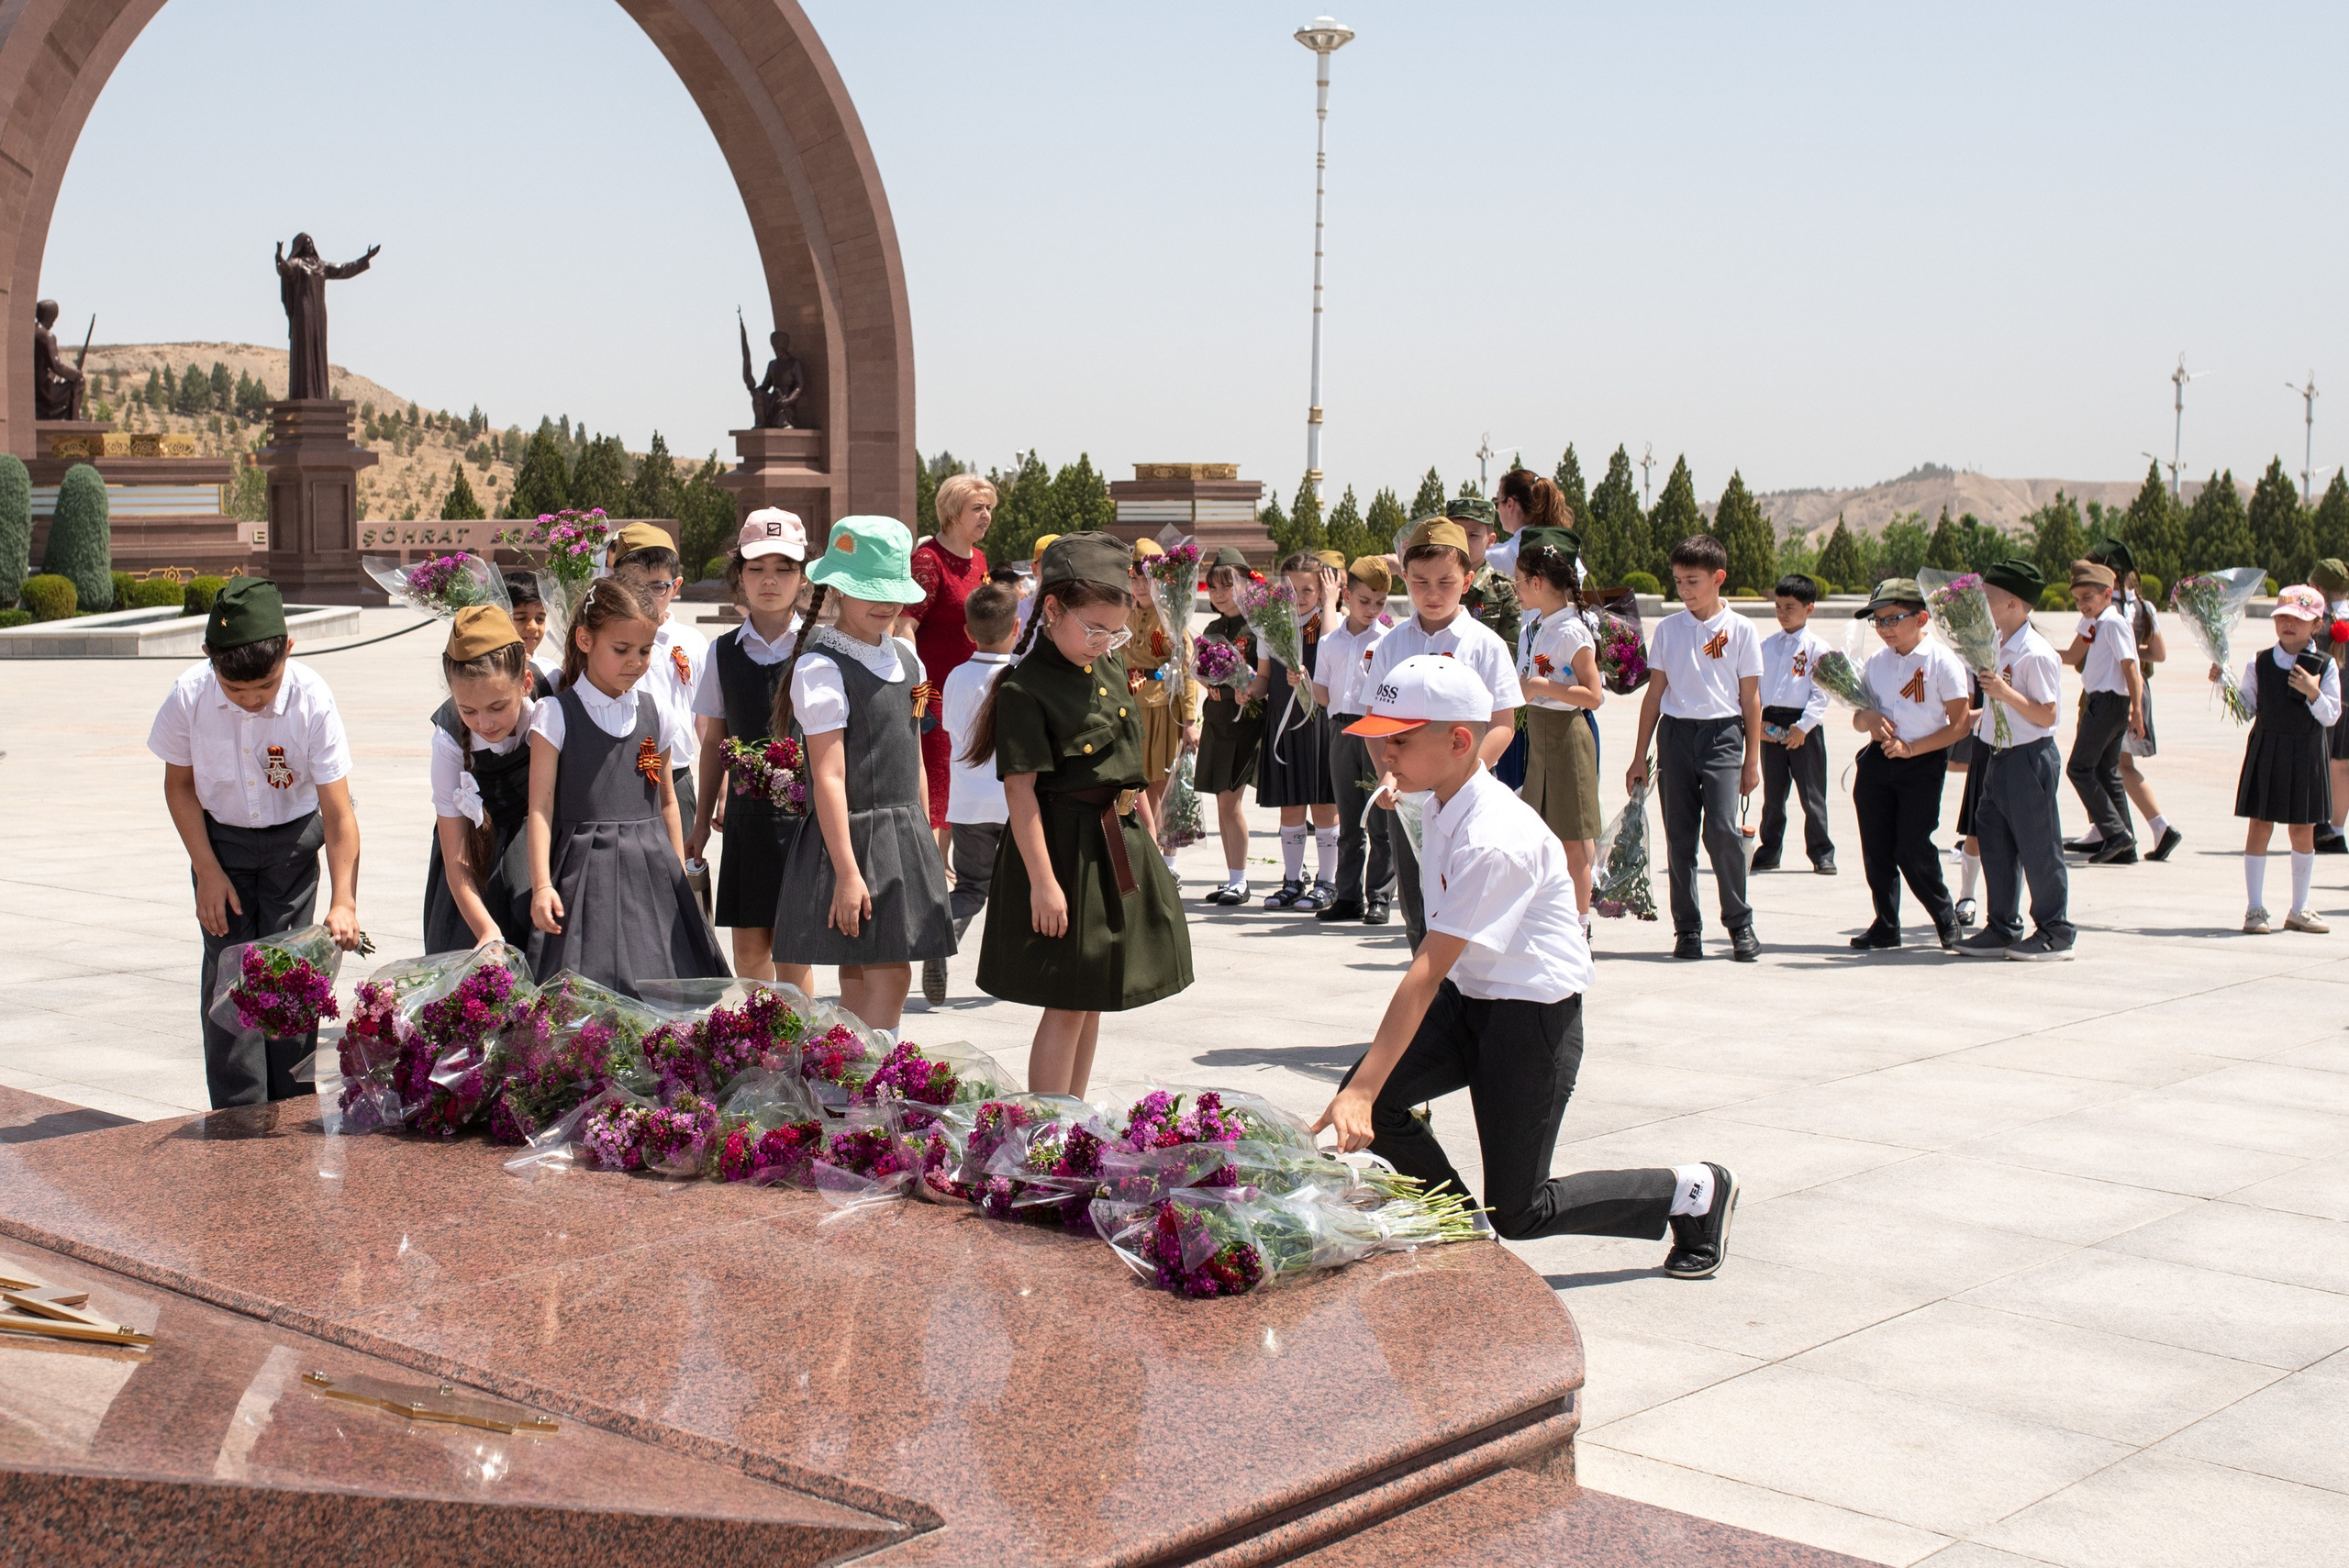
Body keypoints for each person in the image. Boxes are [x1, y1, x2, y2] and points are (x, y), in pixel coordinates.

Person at [1311, 656, 1737, 1276]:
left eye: (1397, 739)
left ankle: (1694, 1192)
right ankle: (1461, 1231)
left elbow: (1427, 968)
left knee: (1523, 1208)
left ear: (1460, 741)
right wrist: (1363, 1088)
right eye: (1379, 738)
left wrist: (1364, 1087)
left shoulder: (1495, 837)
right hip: (1473, 996)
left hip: (1532, 1017)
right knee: (1373, 1097)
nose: (1383, 754)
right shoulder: (1442, 795)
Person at [968, 532, 1195, 1095]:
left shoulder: (1110, 667)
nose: (1103, 642)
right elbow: (1020, 795)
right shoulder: (1026, 689)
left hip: (1118, 842)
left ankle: (1075, 1115)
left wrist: (1152, 834)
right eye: (1094, 628)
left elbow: (1130, 762)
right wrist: (1044, 885)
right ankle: (1046, 1131)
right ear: (1052, 608)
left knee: (1093, 1000)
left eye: (1114, 631)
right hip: (1065, 852)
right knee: (1067, 1002)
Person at [150, 578, 364, 1108]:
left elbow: (339, 812)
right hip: (220, 848)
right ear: (209, 659)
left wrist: (344, 900)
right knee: (229, 978)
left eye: (264, 687)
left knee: (290, 979)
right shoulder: (190, 695)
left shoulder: (312, 698)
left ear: (288, 649)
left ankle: (291, 1111)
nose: (250, 700)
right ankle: (238, 1115)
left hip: (291, 850)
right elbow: (179, 786)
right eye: (235, 688)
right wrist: (206, 870)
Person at [767, 517, 953, 1030]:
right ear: (837, 587)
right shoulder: (821, 667)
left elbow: (913, 753)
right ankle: (870, 1093)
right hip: (854, 836)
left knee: (864, 976)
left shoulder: (906, 658)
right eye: (867, 590)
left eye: (893, 591)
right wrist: (848, 872)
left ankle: (844, 1089)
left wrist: (928, 838)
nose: (885, 603)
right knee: (890, 976)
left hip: (902, 832)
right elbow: (828, 777)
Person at [526, 578, 729, 997]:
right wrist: (542, 884)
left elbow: (668, 800)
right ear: (585, 639)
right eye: (621, 650)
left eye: (644, 650)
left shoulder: (657, 710)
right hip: (582, 876)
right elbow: (541, 808)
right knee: (588, 993)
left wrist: (677, 874)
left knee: (656, 990)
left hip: (651, 872)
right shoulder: (555, 714)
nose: (635, 662)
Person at [1365, 519, 1523, 951]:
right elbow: (1374, 723)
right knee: (1417, 905)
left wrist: (1465, 773)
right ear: (1404, 579)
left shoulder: (1485, 645)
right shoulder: (1392, 645)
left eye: (1445, 582)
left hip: (1467, 797)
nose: (1432, 594)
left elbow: (1503, 724)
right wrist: (1389, 774)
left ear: (1468, 581)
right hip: (1408, 800)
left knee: (1469, 899)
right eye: (1420, 582)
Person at [686, 510, 811, 993]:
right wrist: (701, 823)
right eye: (757, 568)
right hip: (745, 821)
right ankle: (763, 1049)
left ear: (803, 579)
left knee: (794, 949)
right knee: (750, 949)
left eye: (784, 568)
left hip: (805, 824)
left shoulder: (821, 649)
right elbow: (715, 741)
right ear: (739, 575)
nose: (770, 580)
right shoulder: (722, 653)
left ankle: (803, 1051)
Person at [1627, 536, 1764, 962]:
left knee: (1722, 831)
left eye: (1693, 581)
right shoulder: (1669, 629)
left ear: (1718, 578)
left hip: (1723, 736)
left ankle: (1740, 924)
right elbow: (1654, 696)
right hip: (1676, 736)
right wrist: (1639, 755)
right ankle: (1687, 929)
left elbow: (1751, 699)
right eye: (1678, 582)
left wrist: (1752, 760)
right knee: (1679, 838)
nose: (1684, 591)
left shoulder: (1741, 629)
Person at [1954, 561, 2073, 960]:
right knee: (1995, 840)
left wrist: (2004, 693)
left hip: (2028, 757)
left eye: (1989, 597)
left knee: (2038, 844)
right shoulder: (1996, 644)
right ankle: (2003, 925)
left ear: (2014, 604)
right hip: (1997, 754)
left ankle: (2056, 930)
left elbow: (2048, 715)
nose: (1982, 604)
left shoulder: (2035, 653)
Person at [1847, 577, 1973, 951]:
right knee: (1877, 847)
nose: (1884, 628)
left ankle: (1945, 915)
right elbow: (1858, 718)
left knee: (1913, 848)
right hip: (1877, 763)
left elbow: (1960, 725)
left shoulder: (1942, 663)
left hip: (1921, 765)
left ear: (1921, 618)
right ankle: (1886, 923)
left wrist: (1912, 749)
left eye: (1892, 619)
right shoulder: (1876, 663)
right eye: (1878, 621)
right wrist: (1868, 720)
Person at [2224, 585, 2340, 935]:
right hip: (2268, 747)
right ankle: (2254, 908)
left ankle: (2299, 908)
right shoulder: (2259, 661)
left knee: (2302, 829)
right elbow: (2245, 708)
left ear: (2316, 624)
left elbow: (2331, 715)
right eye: (2283, 617)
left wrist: (2313, 692)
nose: (2289, 624)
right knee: (2260, 825)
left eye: (2299, 619)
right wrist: (2224, 683)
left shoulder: (2325, 665)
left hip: (2306, 751)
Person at [424, 606, 539, 953]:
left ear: (526, 684)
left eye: (497, 707)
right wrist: (486, 930)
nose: (485, 723)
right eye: (468, 710)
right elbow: (455, 854)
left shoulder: (550, 702)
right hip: (472, 850)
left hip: (534, 835)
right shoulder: (448, 738)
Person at [927, 583, 1019, 1005]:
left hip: (967, 805)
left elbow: (950, 732)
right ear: (1017, 627)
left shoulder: (956, 676)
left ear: (967, 632)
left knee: (969, 887)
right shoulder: (1022, 676)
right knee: (1021, 889)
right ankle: (1015, 968)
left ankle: (941, 938)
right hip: (1017, 802)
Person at [1512, 527, 1606, 915]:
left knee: (1572, 844)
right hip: (1541, 737)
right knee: (1542, 837)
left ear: (1537, 582)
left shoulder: (1571, 631)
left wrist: (1543, 687)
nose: (1516, 589)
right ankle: (1553, 918)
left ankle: (1581, 928)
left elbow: (1594, 695)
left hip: (1567, 738)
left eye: (1519, 582)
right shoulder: (1540, 628)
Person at [607, 524, 709, 869]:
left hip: (676, 780)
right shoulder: (601, 639)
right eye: (634, 586)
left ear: (675, 586)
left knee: (681, 881)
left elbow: (705, 719)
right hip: (615, 778)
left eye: (657, 587)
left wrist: (721, 789)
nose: (647, 597)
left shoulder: (692, 642)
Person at [910, 474, 996, 862]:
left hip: (973, 689)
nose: (986, 516)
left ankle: (944, 862)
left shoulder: (979, 559)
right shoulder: (928, 561)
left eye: (989, 508)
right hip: (935, 694)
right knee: (938, 773)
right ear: (951, 512)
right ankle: (929, 864)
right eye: (977, 508)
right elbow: (903, 627)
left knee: (961, 775)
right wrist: (919, 691)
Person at [1311, 555, 1396, 924]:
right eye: (1364, 601)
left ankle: (1378, 896)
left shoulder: (1388, 641)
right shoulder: (1329, 641)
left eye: (1379, 603)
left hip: (1375, 730)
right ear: (1347, 594)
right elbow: (1321, 691)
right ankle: (1347, 896)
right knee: (1348, 818)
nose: (1372, 610)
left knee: (1379, 819)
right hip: (1341, 731)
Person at [1257, 550, 1343, 910]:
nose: (1299, 597)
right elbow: (1263, 678)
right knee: (1290, 804)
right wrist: (1240, 683)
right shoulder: (1270, 625)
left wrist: (1330, 605)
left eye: (1307, 589)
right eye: (1290, 589)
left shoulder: (1332, 623)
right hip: (1284, 722)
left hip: (1319, 721)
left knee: (1324, 803)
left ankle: (1328, 882)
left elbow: (1332, 657)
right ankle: (1292, 880)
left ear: (1322, 588)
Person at [2092, 539, 2182, 862]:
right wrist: (2132, 652)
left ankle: (2158, 827)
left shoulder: (2107, 609)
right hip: (2140, 689)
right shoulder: (2143, 606)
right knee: (2111, 765)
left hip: (2117, 694)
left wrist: (2120, 653)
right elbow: (2158, 654)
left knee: (2116, 766)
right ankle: (2108, 828)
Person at [1195, 547, 1271, 906]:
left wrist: (1250, 686)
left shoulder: (1258, 626)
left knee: (1231, 801)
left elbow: (1266, 676)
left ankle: (1240, 880)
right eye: (1214, 587)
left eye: (1228, 585)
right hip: (1217, 719)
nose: (1220, 593)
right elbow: (1201, 670)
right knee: (1222, 802)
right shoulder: (1212, 628)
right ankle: (1232, 878)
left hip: (1246, 721)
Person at [2060, 560, 2144, 864]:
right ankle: (2125, 846)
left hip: (2108, 704)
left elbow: (2131, 667)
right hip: (2105, 702)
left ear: (2107, 594)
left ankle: (2116, 834)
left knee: (2079, 768)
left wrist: (2138, 711)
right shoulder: (2099, 621)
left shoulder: (2112, 622)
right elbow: (2071, 656)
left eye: (2088, 597)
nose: (2082, 604)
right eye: (2078, 598)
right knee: (2105, 773)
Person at [1754, 573, 1836, 877]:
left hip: (1805, 726)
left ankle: (1821, 852)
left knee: (1812, 794)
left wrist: (1803, 727)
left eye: (1790, 606)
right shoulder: (1766, 645)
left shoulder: (1817, 648)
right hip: (1770, 722)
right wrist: (1758, 723)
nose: (1782, 613)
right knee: (1774, 795)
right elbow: (1755, 688)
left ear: (1809, 609)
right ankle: (1769, 850)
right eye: (1777, 606)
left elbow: (1822, 692)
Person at [1123, 539, 1201, 839]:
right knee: (1131, 788)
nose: (1141, 586)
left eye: (1148, 578)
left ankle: (1158, 862)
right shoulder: (1123, 613)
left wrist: (1190, 722)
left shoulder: (1172, 618)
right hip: (1128, 709)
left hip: (1162, 710)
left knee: (1156, 789)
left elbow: (1187, 672)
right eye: (1135, 578)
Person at [2310, 558, 2349, 856]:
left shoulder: (2316, 618)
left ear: (2318, 587)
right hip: (2346, 701)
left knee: (2319, 762)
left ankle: (2318, 824)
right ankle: (2336, 830)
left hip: (2321, 699)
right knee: (2343, 766)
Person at [504, 572, 559, 694]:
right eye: (521, 618)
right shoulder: (491, 671)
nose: (533, 627)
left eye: (540, 619)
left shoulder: (550, 673)